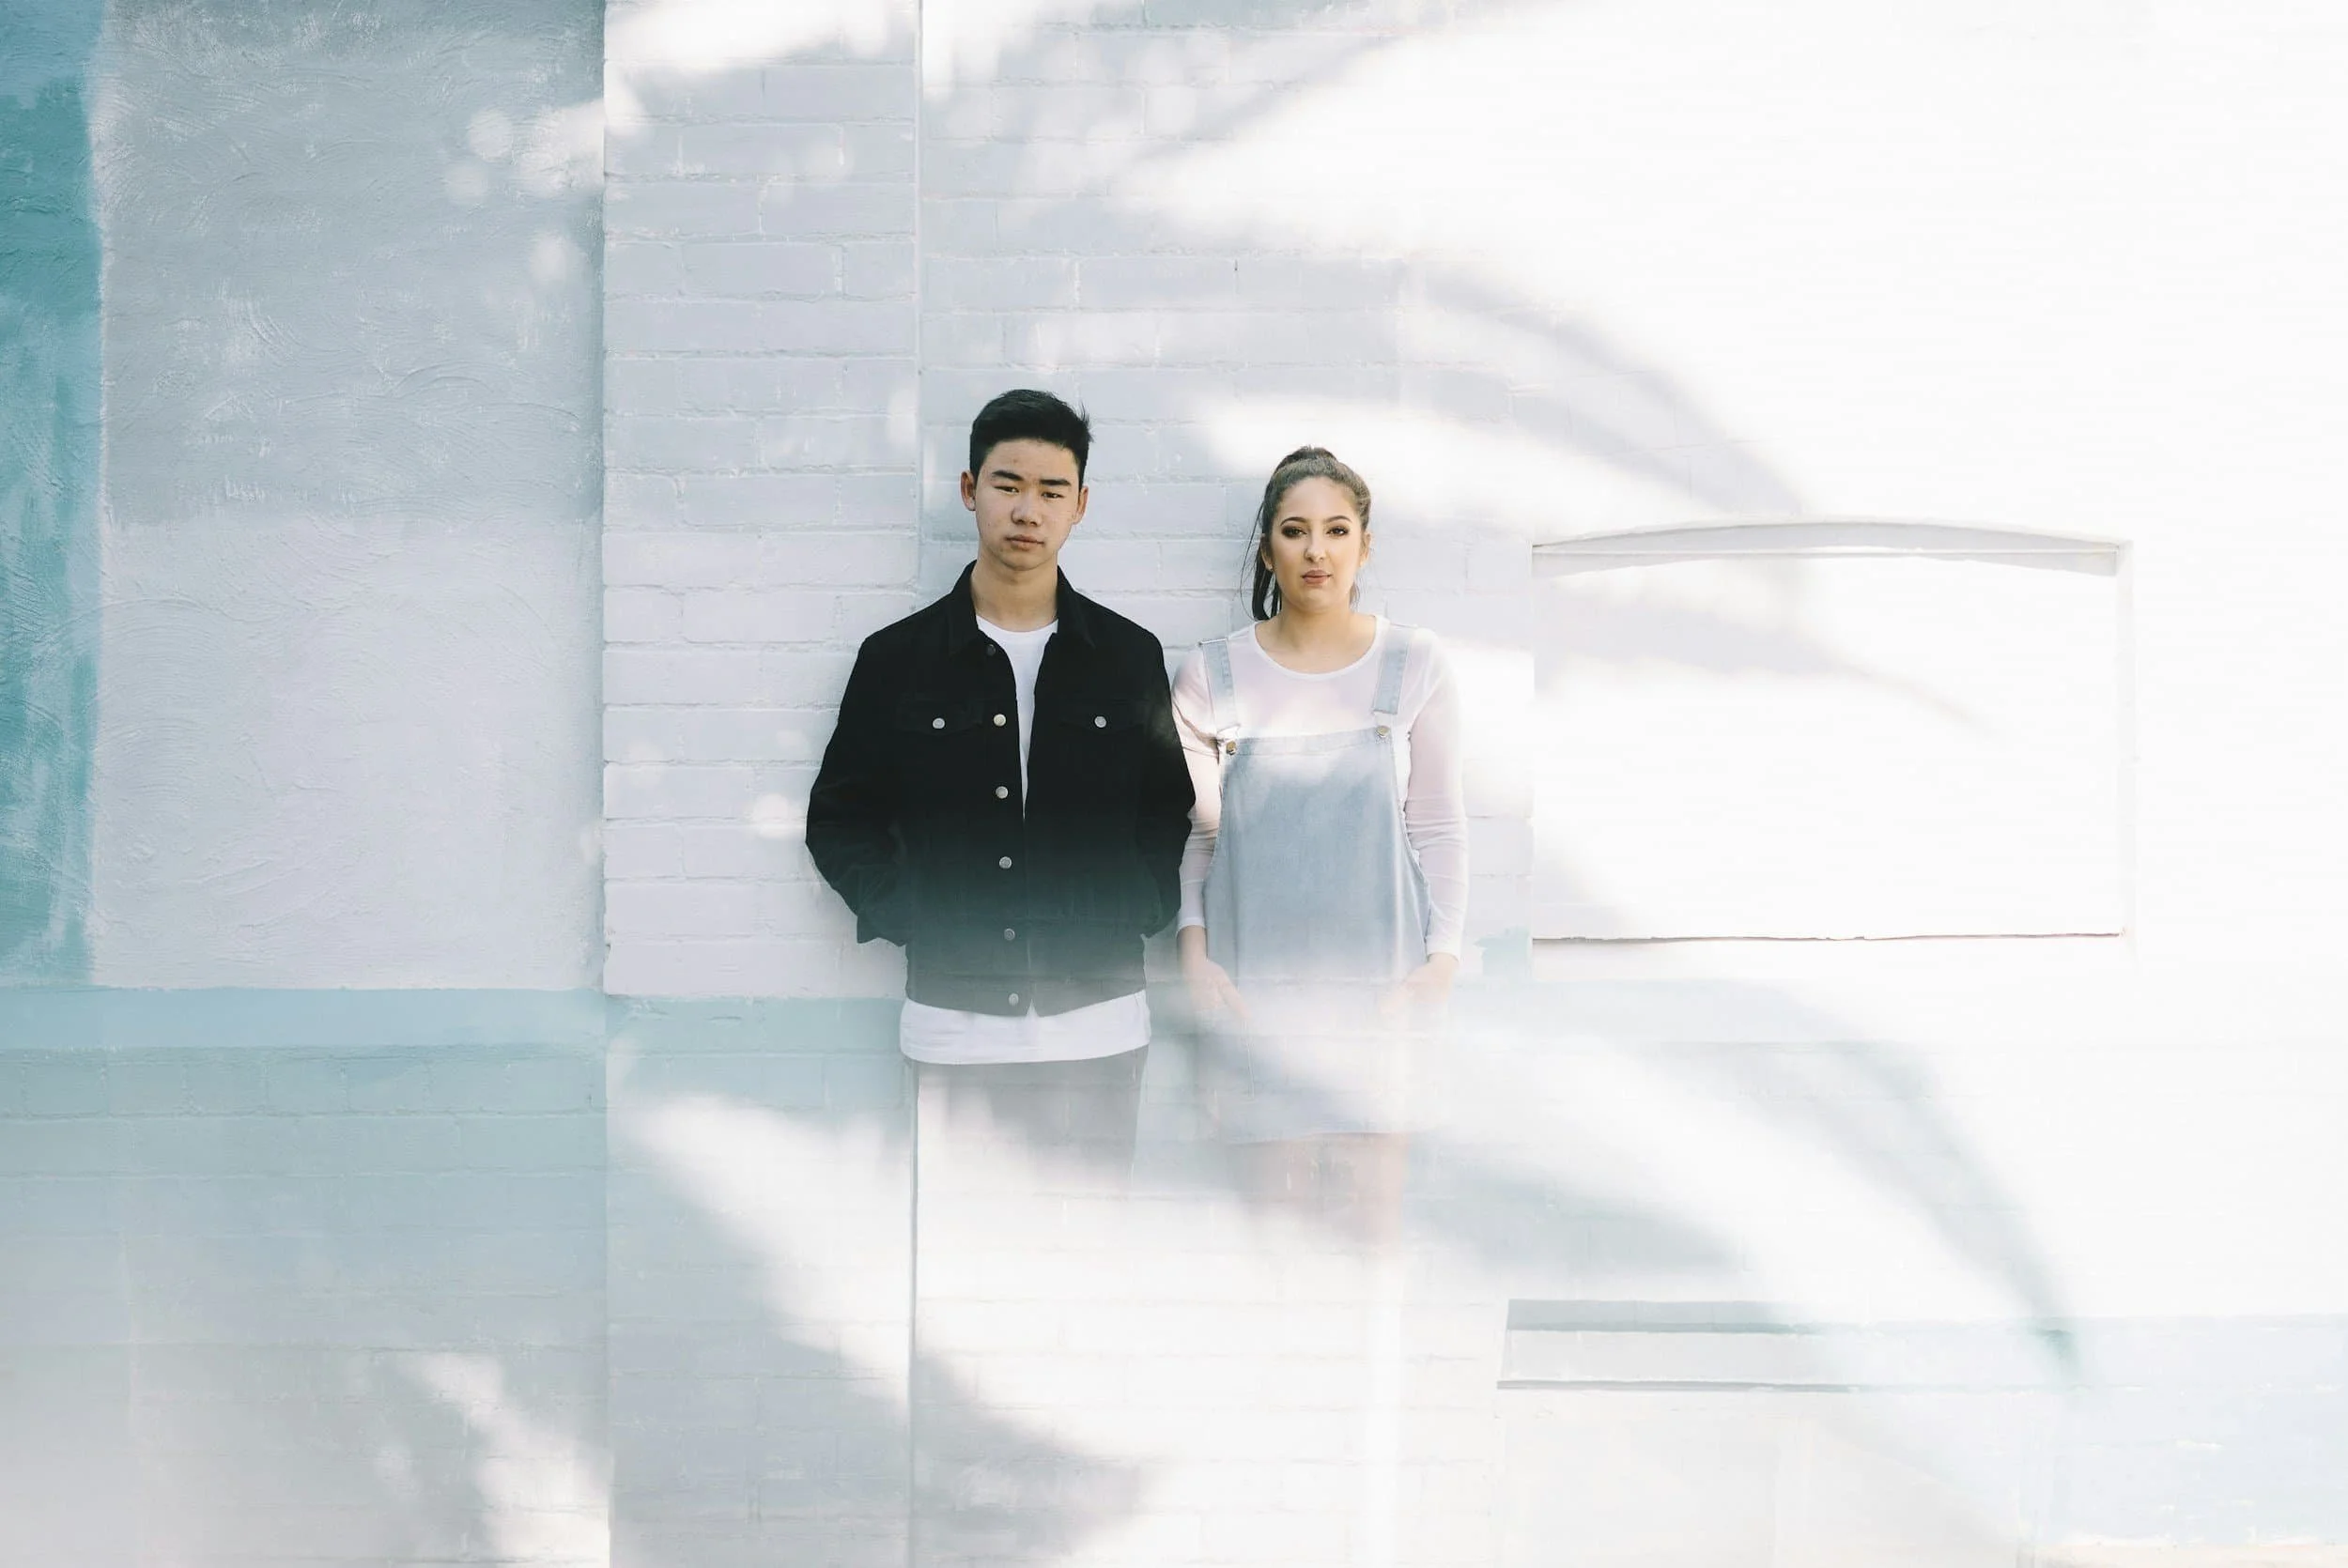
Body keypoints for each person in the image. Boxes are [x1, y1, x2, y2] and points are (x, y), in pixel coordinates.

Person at [805, 388, 1194, 1174]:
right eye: (1008, 485)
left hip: (1101, 1023)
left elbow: (1168, 810)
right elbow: (840, 820)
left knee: (1087, 1253)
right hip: (953, 1024)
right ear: (969, 490)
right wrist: (914, 912)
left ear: (1080, 505)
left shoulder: (1128, 657)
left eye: (1051, 491)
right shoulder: (897, 660)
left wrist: (1138, 905)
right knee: (958, 1270)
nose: (1028, 510)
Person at [1172, 446, 1468, 1240]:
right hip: (1255, 995)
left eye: (1337, 530)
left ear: (1364, 546)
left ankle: (1374, 1372)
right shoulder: (1211, 676)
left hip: (1382, 996)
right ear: (1268, 549)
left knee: (1372, 1230)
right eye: (1295, 532)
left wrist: (1441, 962)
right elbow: (1201, 843)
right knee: (1276, 1232)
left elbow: (1437, 824)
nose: (1316, 550)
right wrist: (1195, 957)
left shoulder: (1413, 665)